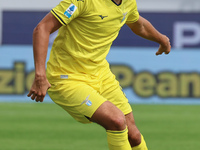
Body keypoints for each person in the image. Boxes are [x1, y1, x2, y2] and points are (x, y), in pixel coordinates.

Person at [27, 0, 171, 149]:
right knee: (116, 121)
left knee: (133, 135)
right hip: (67, 77)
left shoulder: (128, 2)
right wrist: (40, 75)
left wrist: (161, 39)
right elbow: (42, 28)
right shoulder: (82, 2)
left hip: (100, 73)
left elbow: (137, 23)